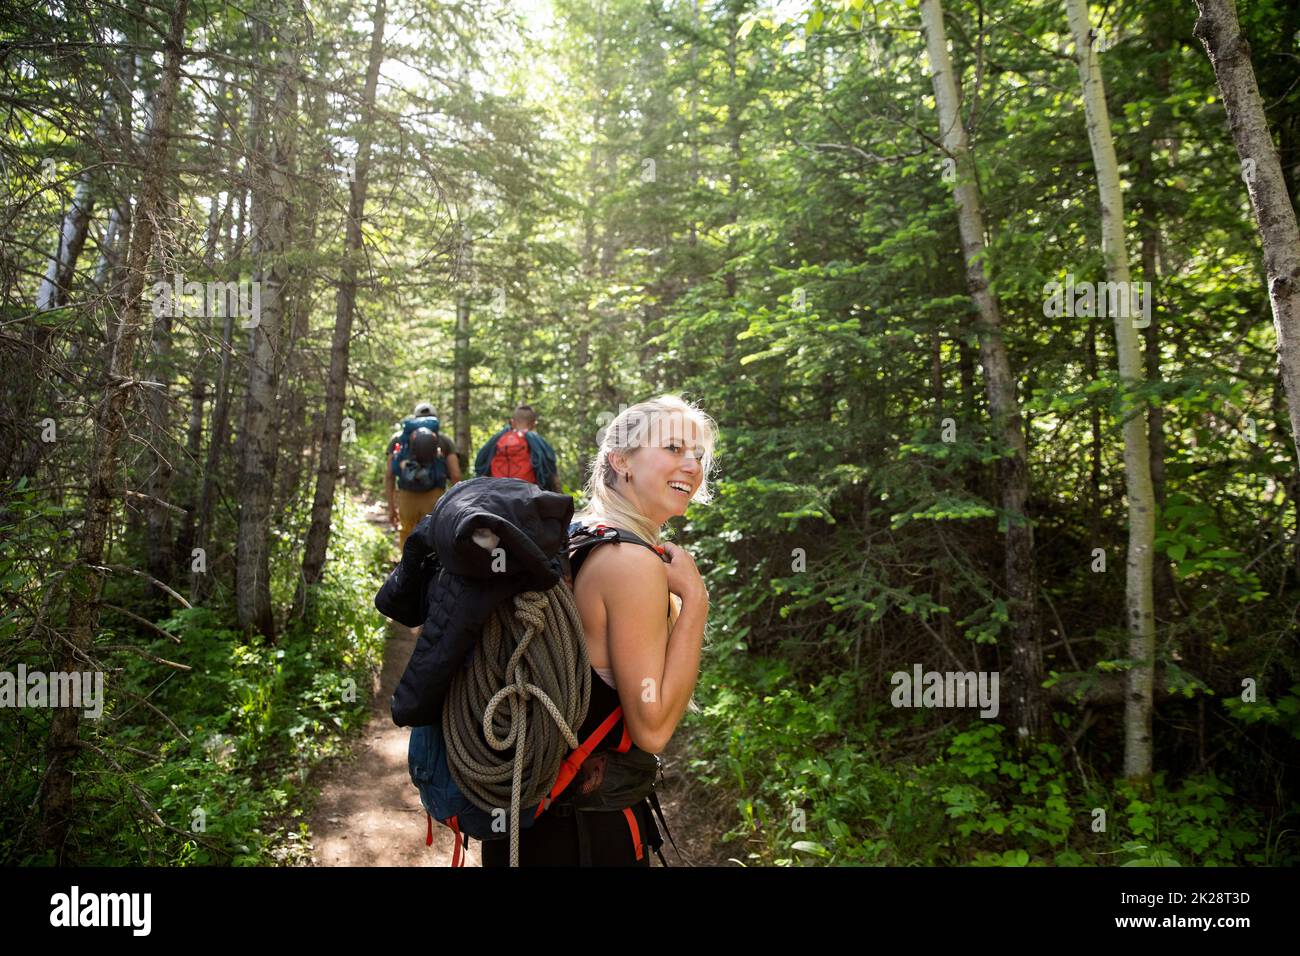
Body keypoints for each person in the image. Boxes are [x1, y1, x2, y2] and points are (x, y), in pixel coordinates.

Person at [480, 394, 718, 867]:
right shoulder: (631, 563)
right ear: (621, 460)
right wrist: (696, 600)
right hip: (583, 835)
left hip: (530, 822)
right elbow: (651, 729)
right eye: (673, 448)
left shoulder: (580, 534)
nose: (691, 464)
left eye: (698, 454)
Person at [386, 402, 461, 550]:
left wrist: (391, 507)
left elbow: (389, 475)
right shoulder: (444, 441)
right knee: (433, 535)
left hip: (407, 497)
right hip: (435, 496)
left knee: (407, 534)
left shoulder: (399, 439)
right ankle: (432, 571)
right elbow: (455, 474)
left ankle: (406, 570)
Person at [474, 403, 561, 492]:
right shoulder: (538, 443)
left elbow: (481, 467)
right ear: (534, 424)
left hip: (495, 493)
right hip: (527, 495)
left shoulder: (496, 440)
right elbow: (552, 475)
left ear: (512, 422)